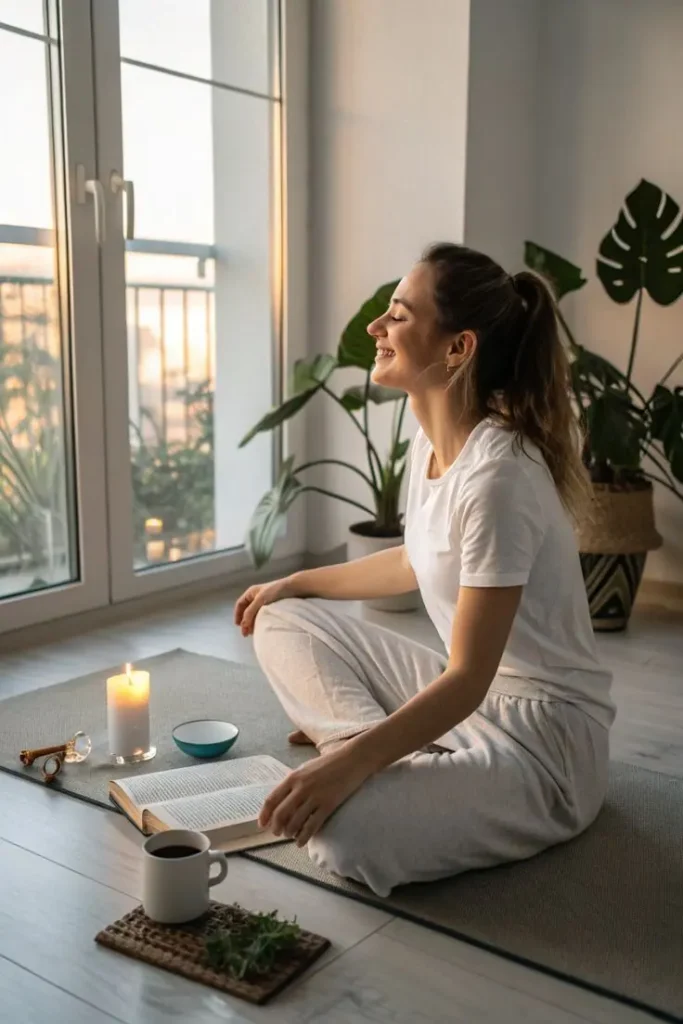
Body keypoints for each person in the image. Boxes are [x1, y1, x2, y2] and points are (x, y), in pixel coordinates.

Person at [234, 242, 615, 898]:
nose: (375, 329)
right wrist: (292, 583)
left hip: (541, 744)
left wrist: (349, 762)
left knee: (341, 834)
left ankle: (362, 759)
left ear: (456, 349)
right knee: (279, 619)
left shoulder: (498, 476)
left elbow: (468, 676)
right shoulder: (430, 442)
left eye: (398, 316)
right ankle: (376, 755)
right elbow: (414, 560)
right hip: (470, 703)